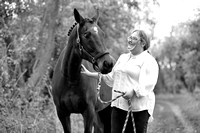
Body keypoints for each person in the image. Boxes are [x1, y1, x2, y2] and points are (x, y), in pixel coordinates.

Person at [81, 29, 159, 133]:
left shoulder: (148, 60)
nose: (130, 41)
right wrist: (89, 73)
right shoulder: (123, 58)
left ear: (143, 43)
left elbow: (148, 83)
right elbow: (111, 78)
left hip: (138, 110)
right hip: (118, 107)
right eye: (129, 38)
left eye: (134, 39)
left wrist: (133, 92)